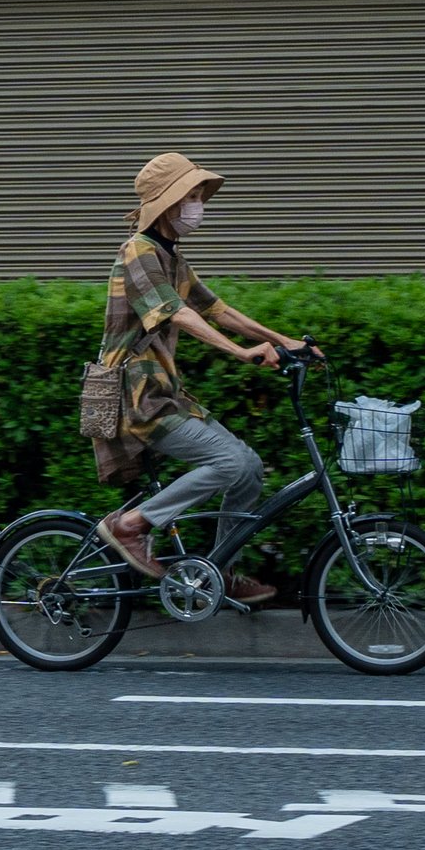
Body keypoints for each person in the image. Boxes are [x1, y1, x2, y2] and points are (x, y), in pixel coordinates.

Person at [93, 152, 307, 605]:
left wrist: (284, 340)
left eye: (197, 196)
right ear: (168, 204)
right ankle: (130, 525)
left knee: (247, 466)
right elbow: (177, 314)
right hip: (135, 396)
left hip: (162, 392)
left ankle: (221, 569)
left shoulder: (170, 256)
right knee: (228, 462)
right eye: (190, 196)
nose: (197, 205)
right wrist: (240, 352)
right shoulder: (138, 252)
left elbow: (217, 310)